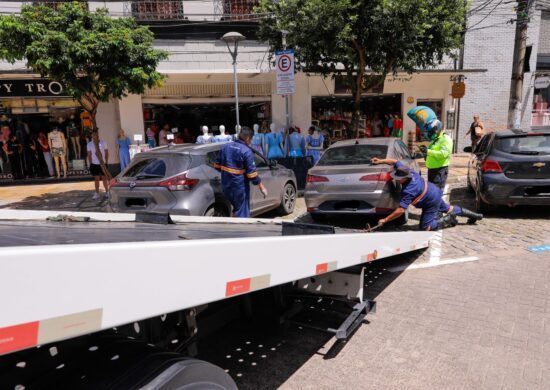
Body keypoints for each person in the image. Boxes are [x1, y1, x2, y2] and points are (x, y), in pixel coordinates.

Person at [371, 158, 483, 230]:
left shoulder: (408, 190)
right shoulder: (409, 171)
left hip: (430, 201)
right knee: (448, 208)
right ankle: (476, 216)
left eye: (398, 178)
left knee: (425, 227)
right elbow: (395, 161)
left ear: (404, 178)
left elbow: (401, 210)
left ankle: (448, 220)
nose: (396, 180)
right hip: (433, 191)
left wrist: (385, 220)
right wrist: (380, 161)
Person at [214, 127, 268, 218]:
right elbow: (252, 175)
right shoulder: (246, 151)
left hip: (226, 186)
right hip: (239, 188)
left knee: (234, 210)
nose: (250, 142)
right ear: (247, 138)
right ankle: (240, 231)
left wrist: (228, 174)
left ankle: (232, 229)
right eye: (251, 139)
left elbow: (216, 165)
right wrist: (262, 188)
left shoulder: (225, 147)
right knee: (242, 214)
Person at [424, 119, 452, 190]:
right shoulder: (435, 139)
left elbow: (444, 154)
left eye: (432, 132)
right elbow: (432, 151)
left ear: (438, 129)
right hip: (432, 169)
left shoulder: (446, 139)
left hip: (439, 171)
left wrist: (428, 152)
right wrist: (425, 153)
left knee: (436, 194)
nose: (430, 134)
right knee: (431, 193)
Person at [87, 131, 110, 200]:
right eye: (93, 135)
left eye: (95, 135)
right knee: (96, 179)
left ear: (98, 135)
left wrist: (106, 161)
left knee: (104, 178)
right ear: (92, 136)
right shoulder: (89, 144)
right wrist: (91, 163)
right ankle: (97, 193)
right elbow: (89, 154)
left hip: (103, 163)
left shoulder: (103, 142)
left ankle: (107, 192)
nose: (94, 136)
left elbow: (106, 152)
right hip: (94, 164)